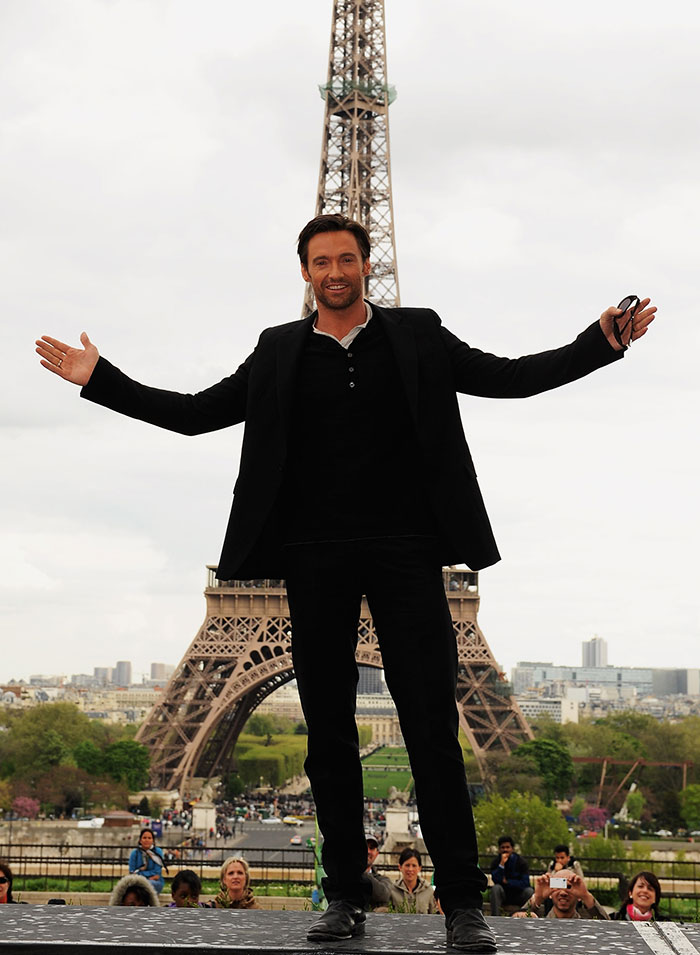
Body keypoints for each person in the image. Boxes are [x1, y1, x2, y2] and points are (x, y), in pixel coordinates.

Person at [35, 213, 656, 952]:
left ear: (368, 265)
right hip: (313, 554)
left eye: (347, 259)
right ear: (305, 272)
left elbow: (511, 376)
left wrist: (601, 342)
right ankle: (346, 895)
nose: (335, 271)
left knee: (432, 729)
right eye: (321, 261)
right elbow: (199, 413)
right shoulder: (277, 351)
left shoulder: (417, 334)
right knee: (327, 736)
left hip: (407, 551)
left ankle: (462, 901)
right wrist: (98, 380)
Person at [514, 870, 608, 919]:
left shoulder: (587, 922)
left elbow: (607, 927)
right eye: (557, 886)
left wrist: (586, 896)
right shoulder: (537, 920)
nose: (563, 893)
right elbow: (515, 924)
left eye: (569, 887)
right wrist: (537, 898)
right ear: (550, 894)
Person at [489, 836, 533, 915]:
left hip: (519, 894)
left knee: (529, 891)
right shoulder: (496, 862)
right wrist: (501, 865)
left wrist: (508, 882)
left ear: (512, 849)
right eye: (502, 847)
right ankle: (495, 918)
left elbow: (525, 883)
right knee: (496, 889)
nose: (505, 850)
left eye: (507, 847)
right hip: (504, 895)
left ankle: (526, 916)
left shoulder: (521, 862)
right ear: (499, 849)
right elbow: (496, 879)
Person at [388, 847, 437, 914]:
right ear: (400, 867)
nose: (410, 869)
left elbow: (434, 915)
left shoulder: (428, 890)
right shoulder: (392, 890)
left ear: (419, 868)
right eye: (407, 865)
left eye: (414, 866)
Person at [128, 828, 166, 894]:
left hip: (155, 882)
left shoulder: (158, 852)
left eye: (149, 838)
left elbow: (156, 873)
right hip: (138, 881)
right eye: (144, 838)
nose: (147, 840)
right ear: (140, 840)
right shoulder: (135, 853)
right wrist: (145, 878)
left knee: (146, 885)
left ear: (153, 841)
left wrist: (140, 875)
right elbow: (132, 871)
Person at [364, 836, 393, 911]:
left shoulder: (383, 880)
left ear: (377, 853)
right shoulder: (347, 876)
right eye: (364, 847)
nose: (368, 851)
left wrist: (363, 873)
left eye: (372, 848)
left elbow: (384, 895)